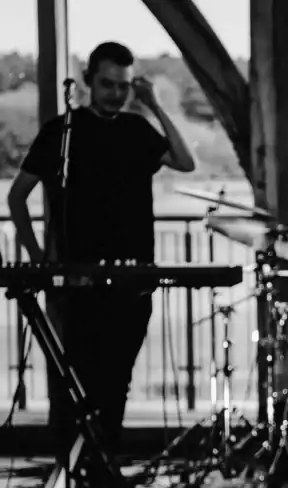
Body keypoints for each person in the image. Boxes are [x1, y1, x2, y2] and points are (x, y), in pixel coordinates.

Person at [6, 41, 196, 457]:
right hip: (75, 283)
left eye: (124, 86)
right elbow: (17, 197)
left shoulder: (136, 129)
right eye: (108, 84)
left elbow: (185, 162)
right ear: (89, 81)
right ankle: (73, 473)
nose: (115, 93)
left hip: (133, 281)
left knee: (117, 383)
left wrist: (155, 105)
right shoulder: (63, 132)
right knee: (73, 384)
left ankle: (103, 474)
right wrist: (39, 259)